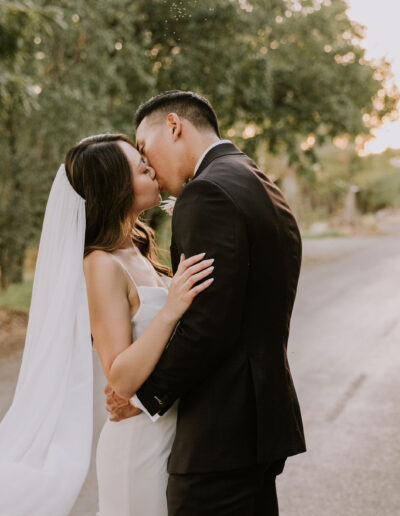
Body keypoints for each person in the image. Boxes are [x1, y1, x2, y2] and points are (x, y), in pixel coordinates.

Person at [106, 90, 306, 515]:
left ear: (174, 126)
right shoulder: (256, 181)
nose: (149, 168)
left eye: (145, 148)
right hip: (258, 423)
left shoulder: (208, 193)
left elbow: (208, 324)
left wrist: (143, 397)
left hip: (218, 437)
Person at [0, 132, 213, 516]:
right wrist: (172, 308)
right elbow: (119, 378)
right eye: (140, 167)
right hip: (139, 449)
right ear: (114, 187)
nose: (151, 170)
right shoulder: (100, 264)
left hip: (170, 434)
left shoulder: (137, 249)